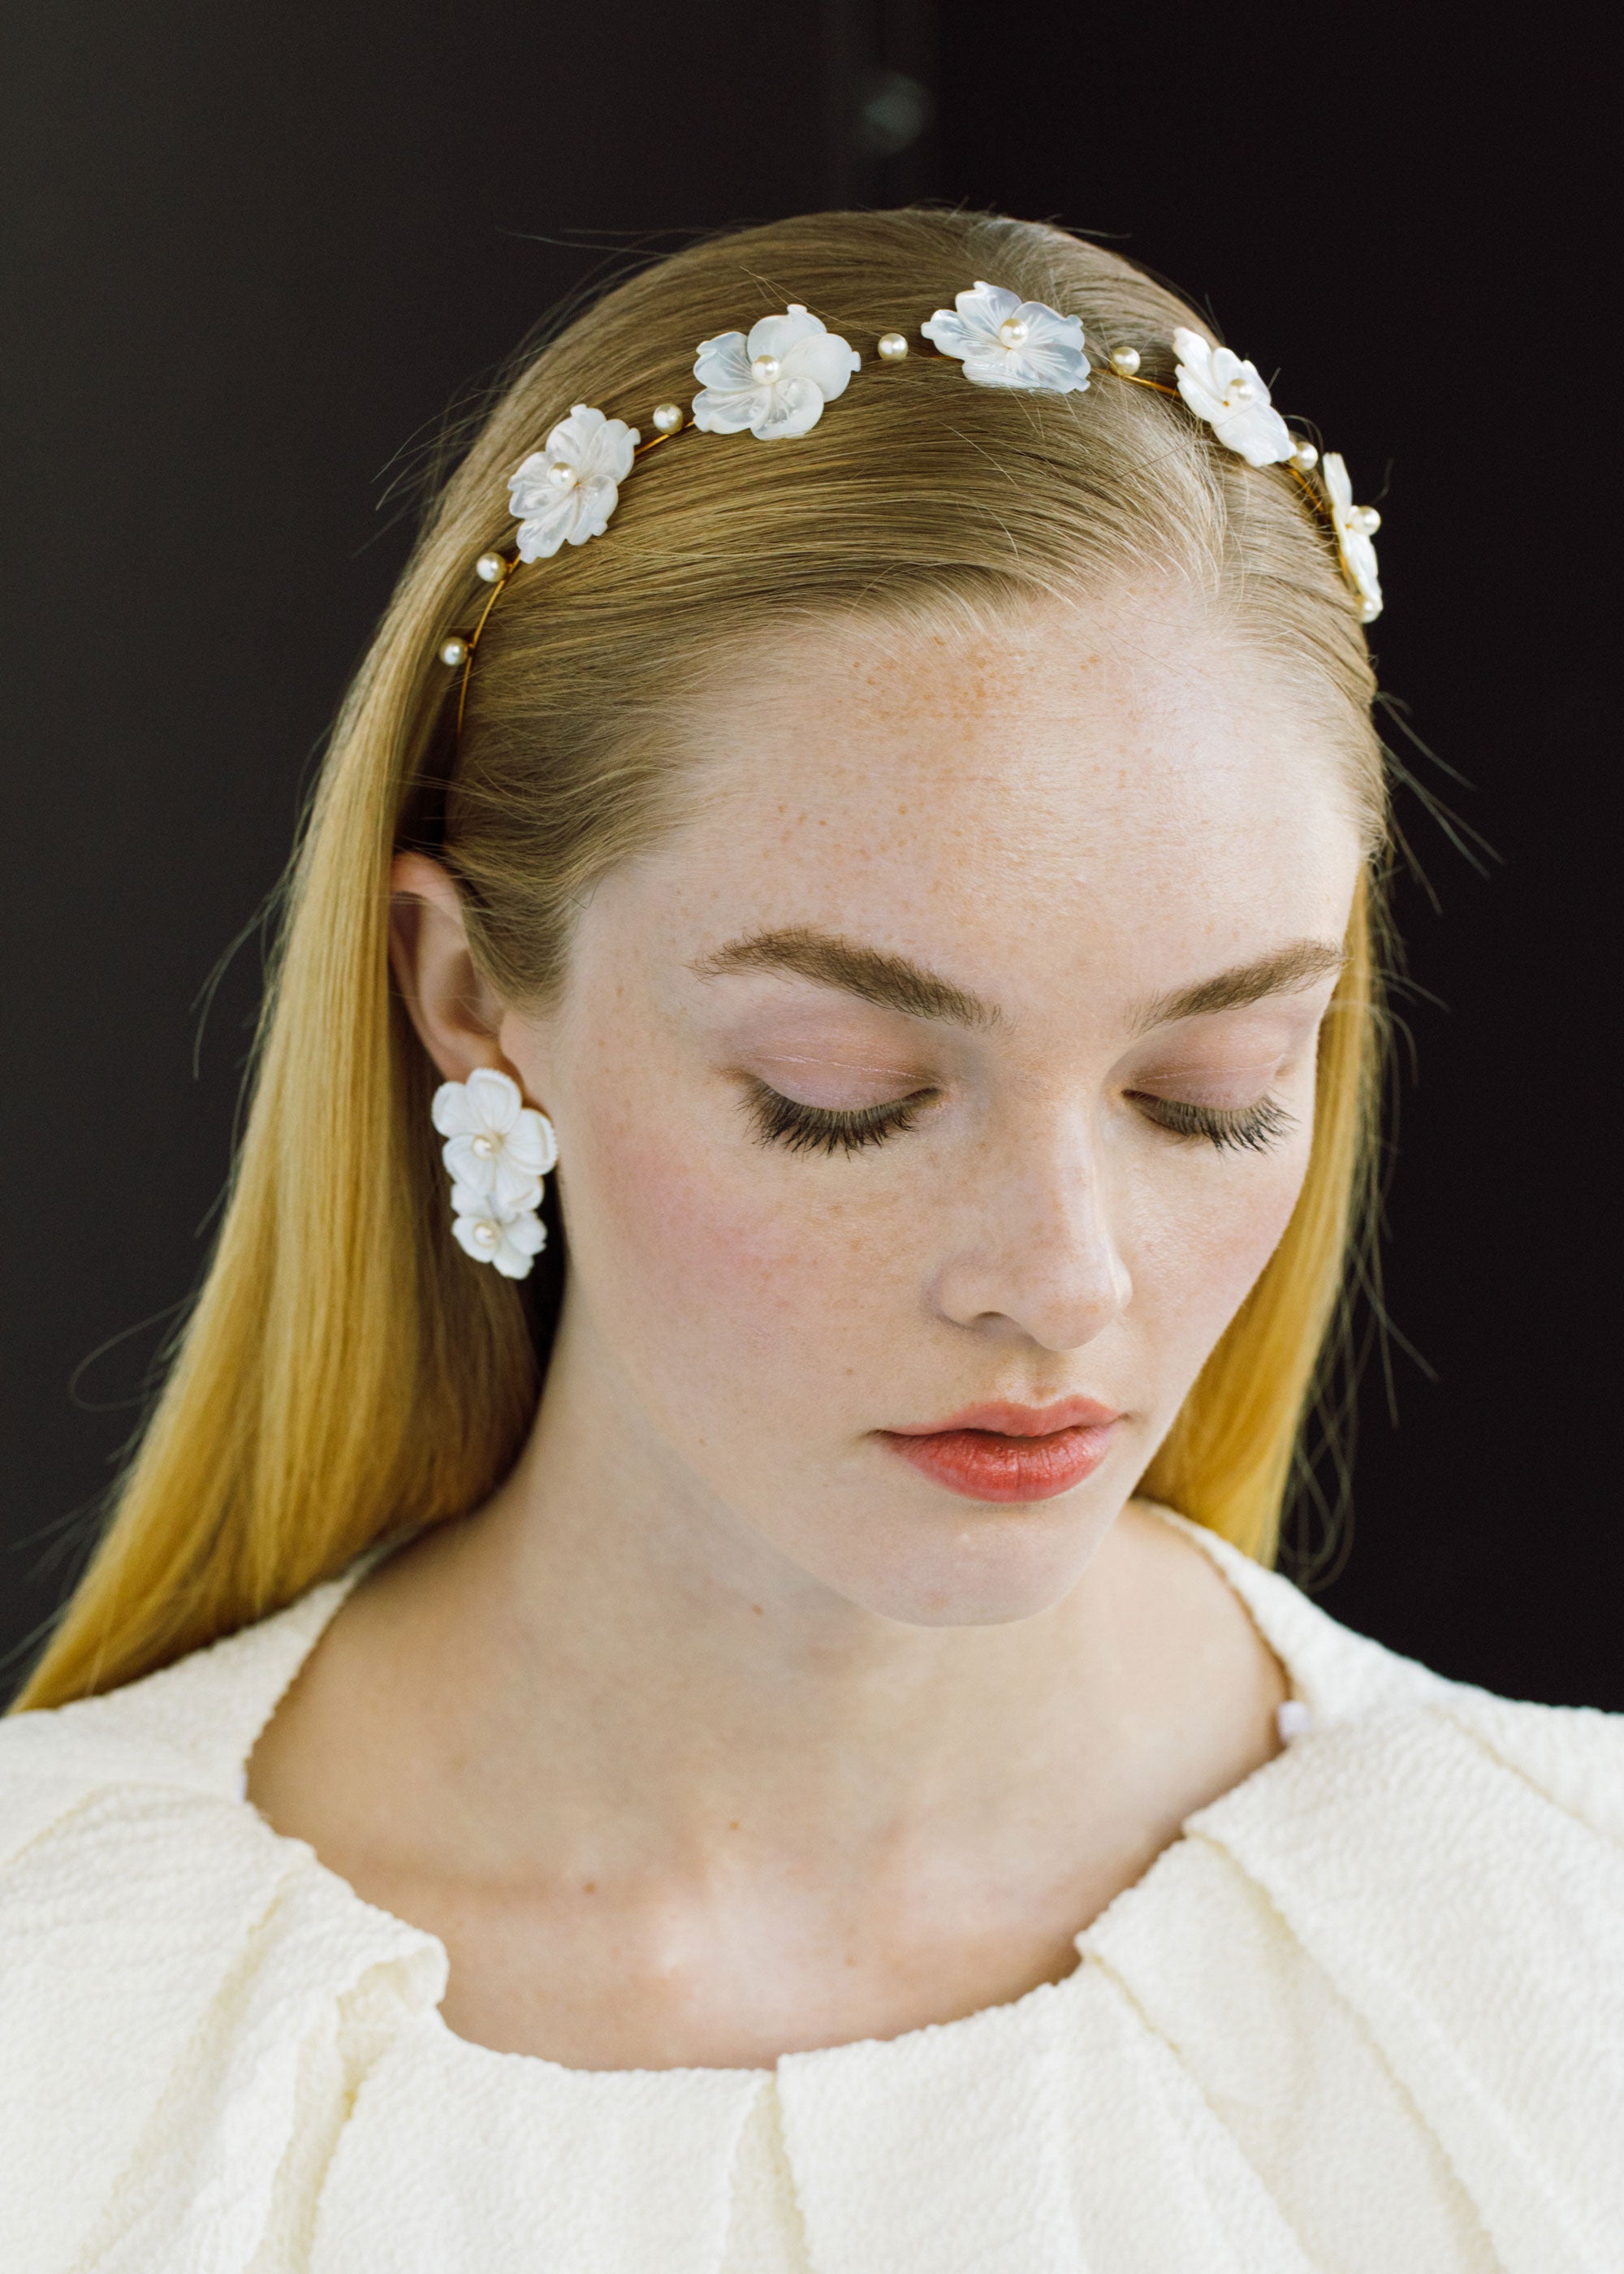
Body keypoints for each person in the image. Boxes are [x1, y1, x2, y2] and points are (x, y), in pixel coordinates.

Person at [2, 207, 1618, 2272]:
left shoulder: (1564, 1950)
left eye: (1206, 1088)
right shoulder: (63, 2017)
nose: (1063, 1277)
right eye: (841, 1090)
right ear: (470, 994)